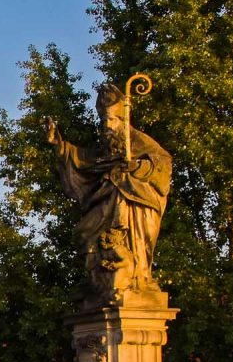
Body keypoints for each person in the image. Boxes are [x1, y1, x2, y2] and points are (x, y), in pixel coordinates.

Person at [45, 83, 172, 301]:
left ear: (123, 120)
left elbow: (163, 164)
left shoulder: (138, 141)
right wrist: (59, 144)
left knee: (128, 243)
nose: (107, 126)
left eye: (111, 120)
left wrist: (137, 167)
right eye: (104, 121)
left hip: (134, 202)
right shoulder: (105, 146)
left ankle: (134, 279)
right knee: (85, 233)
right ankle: (96, 280)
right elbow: (84, 159)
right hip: (105, 200)